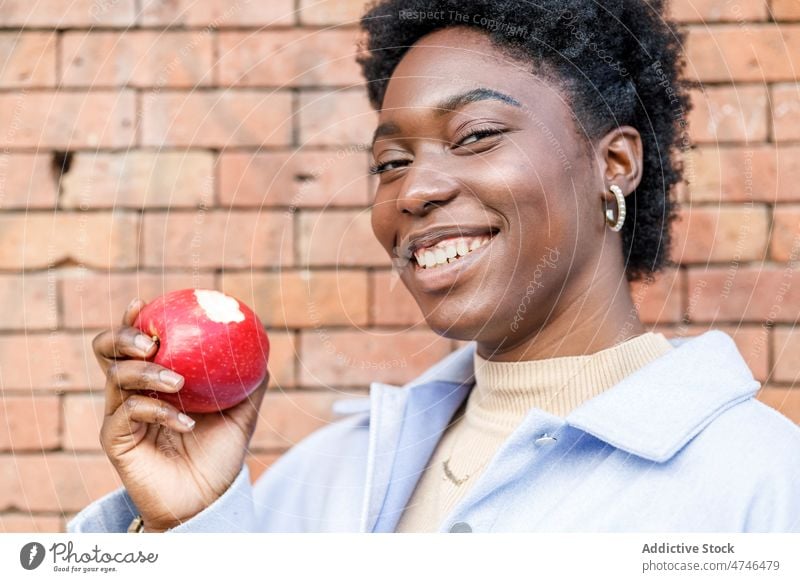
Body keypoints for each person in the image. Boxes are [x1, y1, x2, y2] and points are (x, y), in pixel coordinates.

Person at [69, 0, 800, 533]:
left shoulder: (761, 484)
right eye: (391, 161)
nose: (414, 191)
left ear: (613, 163)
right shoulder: (320, 481)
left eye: (476, 135)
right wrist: (189, 526)